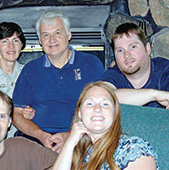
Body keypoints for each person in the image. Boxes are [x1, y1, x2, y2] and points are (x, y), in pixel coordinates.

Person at [12, 9, 105, 153]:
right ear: (40, 41)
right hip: (37, 139)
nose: (52, 39)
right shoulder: (30, 70)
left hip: (81, 137)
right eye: (46, 35)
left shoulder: (91, 64)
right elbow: (16, 114)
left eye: (57, 32)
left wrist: (70, 136)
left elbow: (103, 109)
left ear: (69, 34)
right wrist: (42, 136)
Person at [53, 81, 158, 170]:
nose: (97, 109)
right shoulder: (81, 153)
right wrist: (70, 143)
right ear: (80, 113)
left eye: (105, 104)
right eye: (90, 103)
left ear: (114, 113)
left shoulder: (133, 148)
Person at [101, 23, 169, 109]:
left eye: (133, 47)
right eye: (120, 50)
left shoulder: (166, 70)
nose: (126, 55)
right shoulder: (114, 74)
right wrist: (154, 95)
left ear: (148, 49)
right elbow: (101, 96)